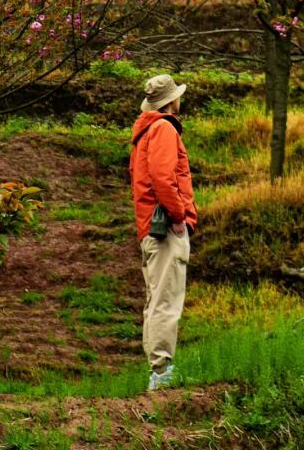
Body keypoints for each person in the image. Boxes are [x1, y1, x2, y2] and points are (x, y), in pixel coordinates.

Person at [129, 72, 198, 391]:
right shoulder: (163, 129)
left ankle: (158, 370)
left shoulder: (146, 131)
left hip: (150, 226)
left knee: (156, 298)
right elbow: (162, 177)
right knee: (166, 298)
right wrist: (179, 216)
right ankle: (162, 372)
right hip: (165, 228)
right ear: (172, 101)